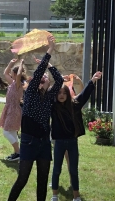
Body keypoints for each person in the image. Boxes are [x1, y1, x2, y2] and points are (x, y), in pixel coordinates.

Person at [8, 35, 63, 201]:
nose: (43, 78)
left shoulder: (50, 96)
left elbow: (59, 80)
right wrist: (49, 51)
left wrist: (49, 65)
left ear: (47, 84)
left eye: (46, 78)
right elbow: (39, 74)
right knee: (22, 179)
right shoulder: (30, 93)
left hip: (44, 143)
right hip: (29, 141)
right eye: (40, 78)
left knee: (42, 180)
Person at [50, 71, 102, 201]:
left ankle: (76, 196)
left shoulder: (74, 105)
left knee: (73, 170)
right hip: (59, 143)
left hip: (72, 142)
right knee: (56, 169)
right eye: (59, 93)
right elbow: (49, 93)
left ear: (68, 94)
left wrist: (92, 80)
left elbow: (84, 95)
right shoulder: (53, 107)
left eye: (64, 93)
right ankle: (54, 195)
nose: (61, 96)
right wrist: (58, 81)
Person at [0, 59, 27, 161]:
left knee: (6, 132)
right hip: (10, 109)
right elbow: (5, 73)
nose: (10, 75)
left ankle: (18, 152)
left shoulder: (18, 84)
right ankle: (17, 153)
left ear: (15, 74)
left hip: (14, 110)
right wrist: (10, 63)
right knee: (13, 132)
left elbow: (19, 74)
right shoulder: (13, 83)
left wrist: (21, 64)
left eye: (12, 73)